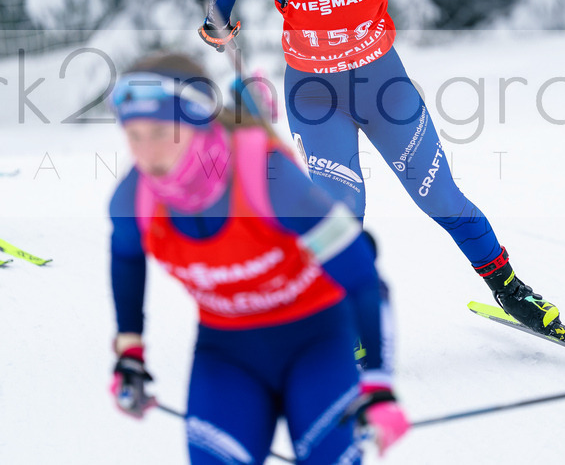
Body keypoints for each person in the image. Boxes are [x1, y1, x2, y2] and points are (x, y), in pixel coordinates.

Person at [200, 0, 565, 340]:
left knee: (440, 197)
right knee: (343, 207)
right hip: (316, 98)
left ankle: (510, 288)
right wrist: (217, 24)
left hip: (383, 88)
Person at [108, 52, 410, 464]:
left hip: (317, 342)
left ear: (197, 124)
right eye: (134, 136)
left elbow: (362, 275)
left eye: (161, 131)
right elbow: (126, 257)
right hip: (228, 355)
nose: (147, 152)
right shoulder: (135, 198)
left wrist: (377, 382)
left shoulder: (264, 174)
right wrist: (130, 351)